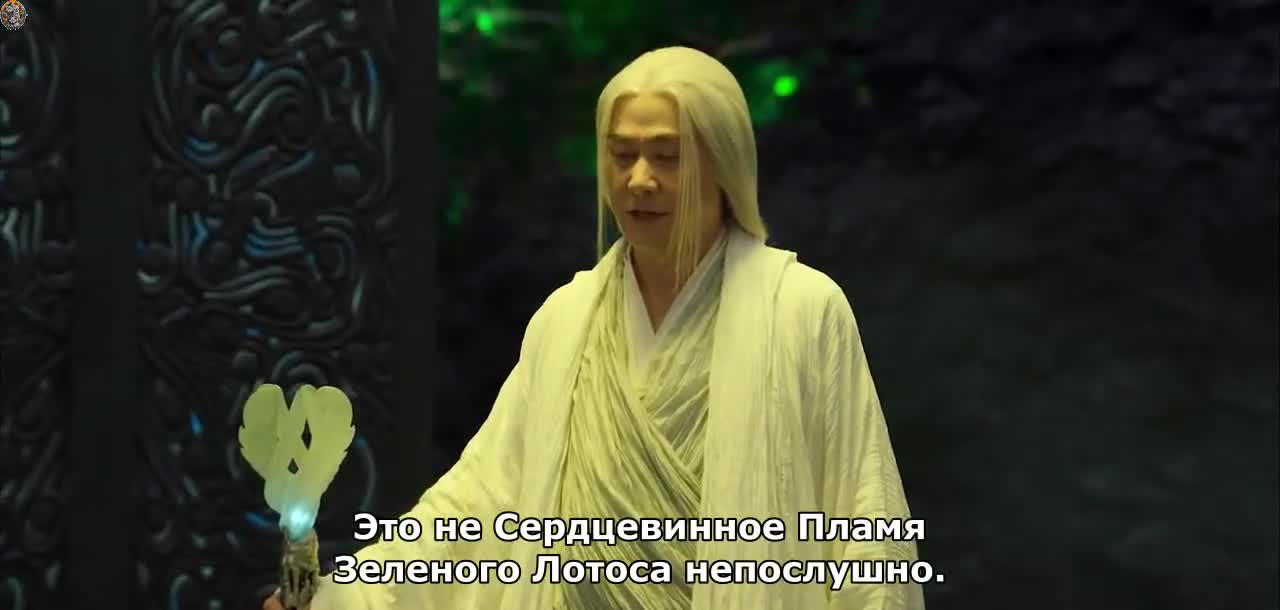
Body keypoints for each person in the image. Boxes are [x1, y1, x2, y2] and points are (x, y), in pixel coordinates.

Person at [264, 46, 924, 610]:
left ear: (723, 166)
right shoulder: (567, 319)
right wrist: (347, 600)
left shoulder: (803, 311)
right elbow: (481, 502)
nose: (639, 179)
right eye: (622, 154)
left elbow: (863, 524)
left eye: (667, 156)